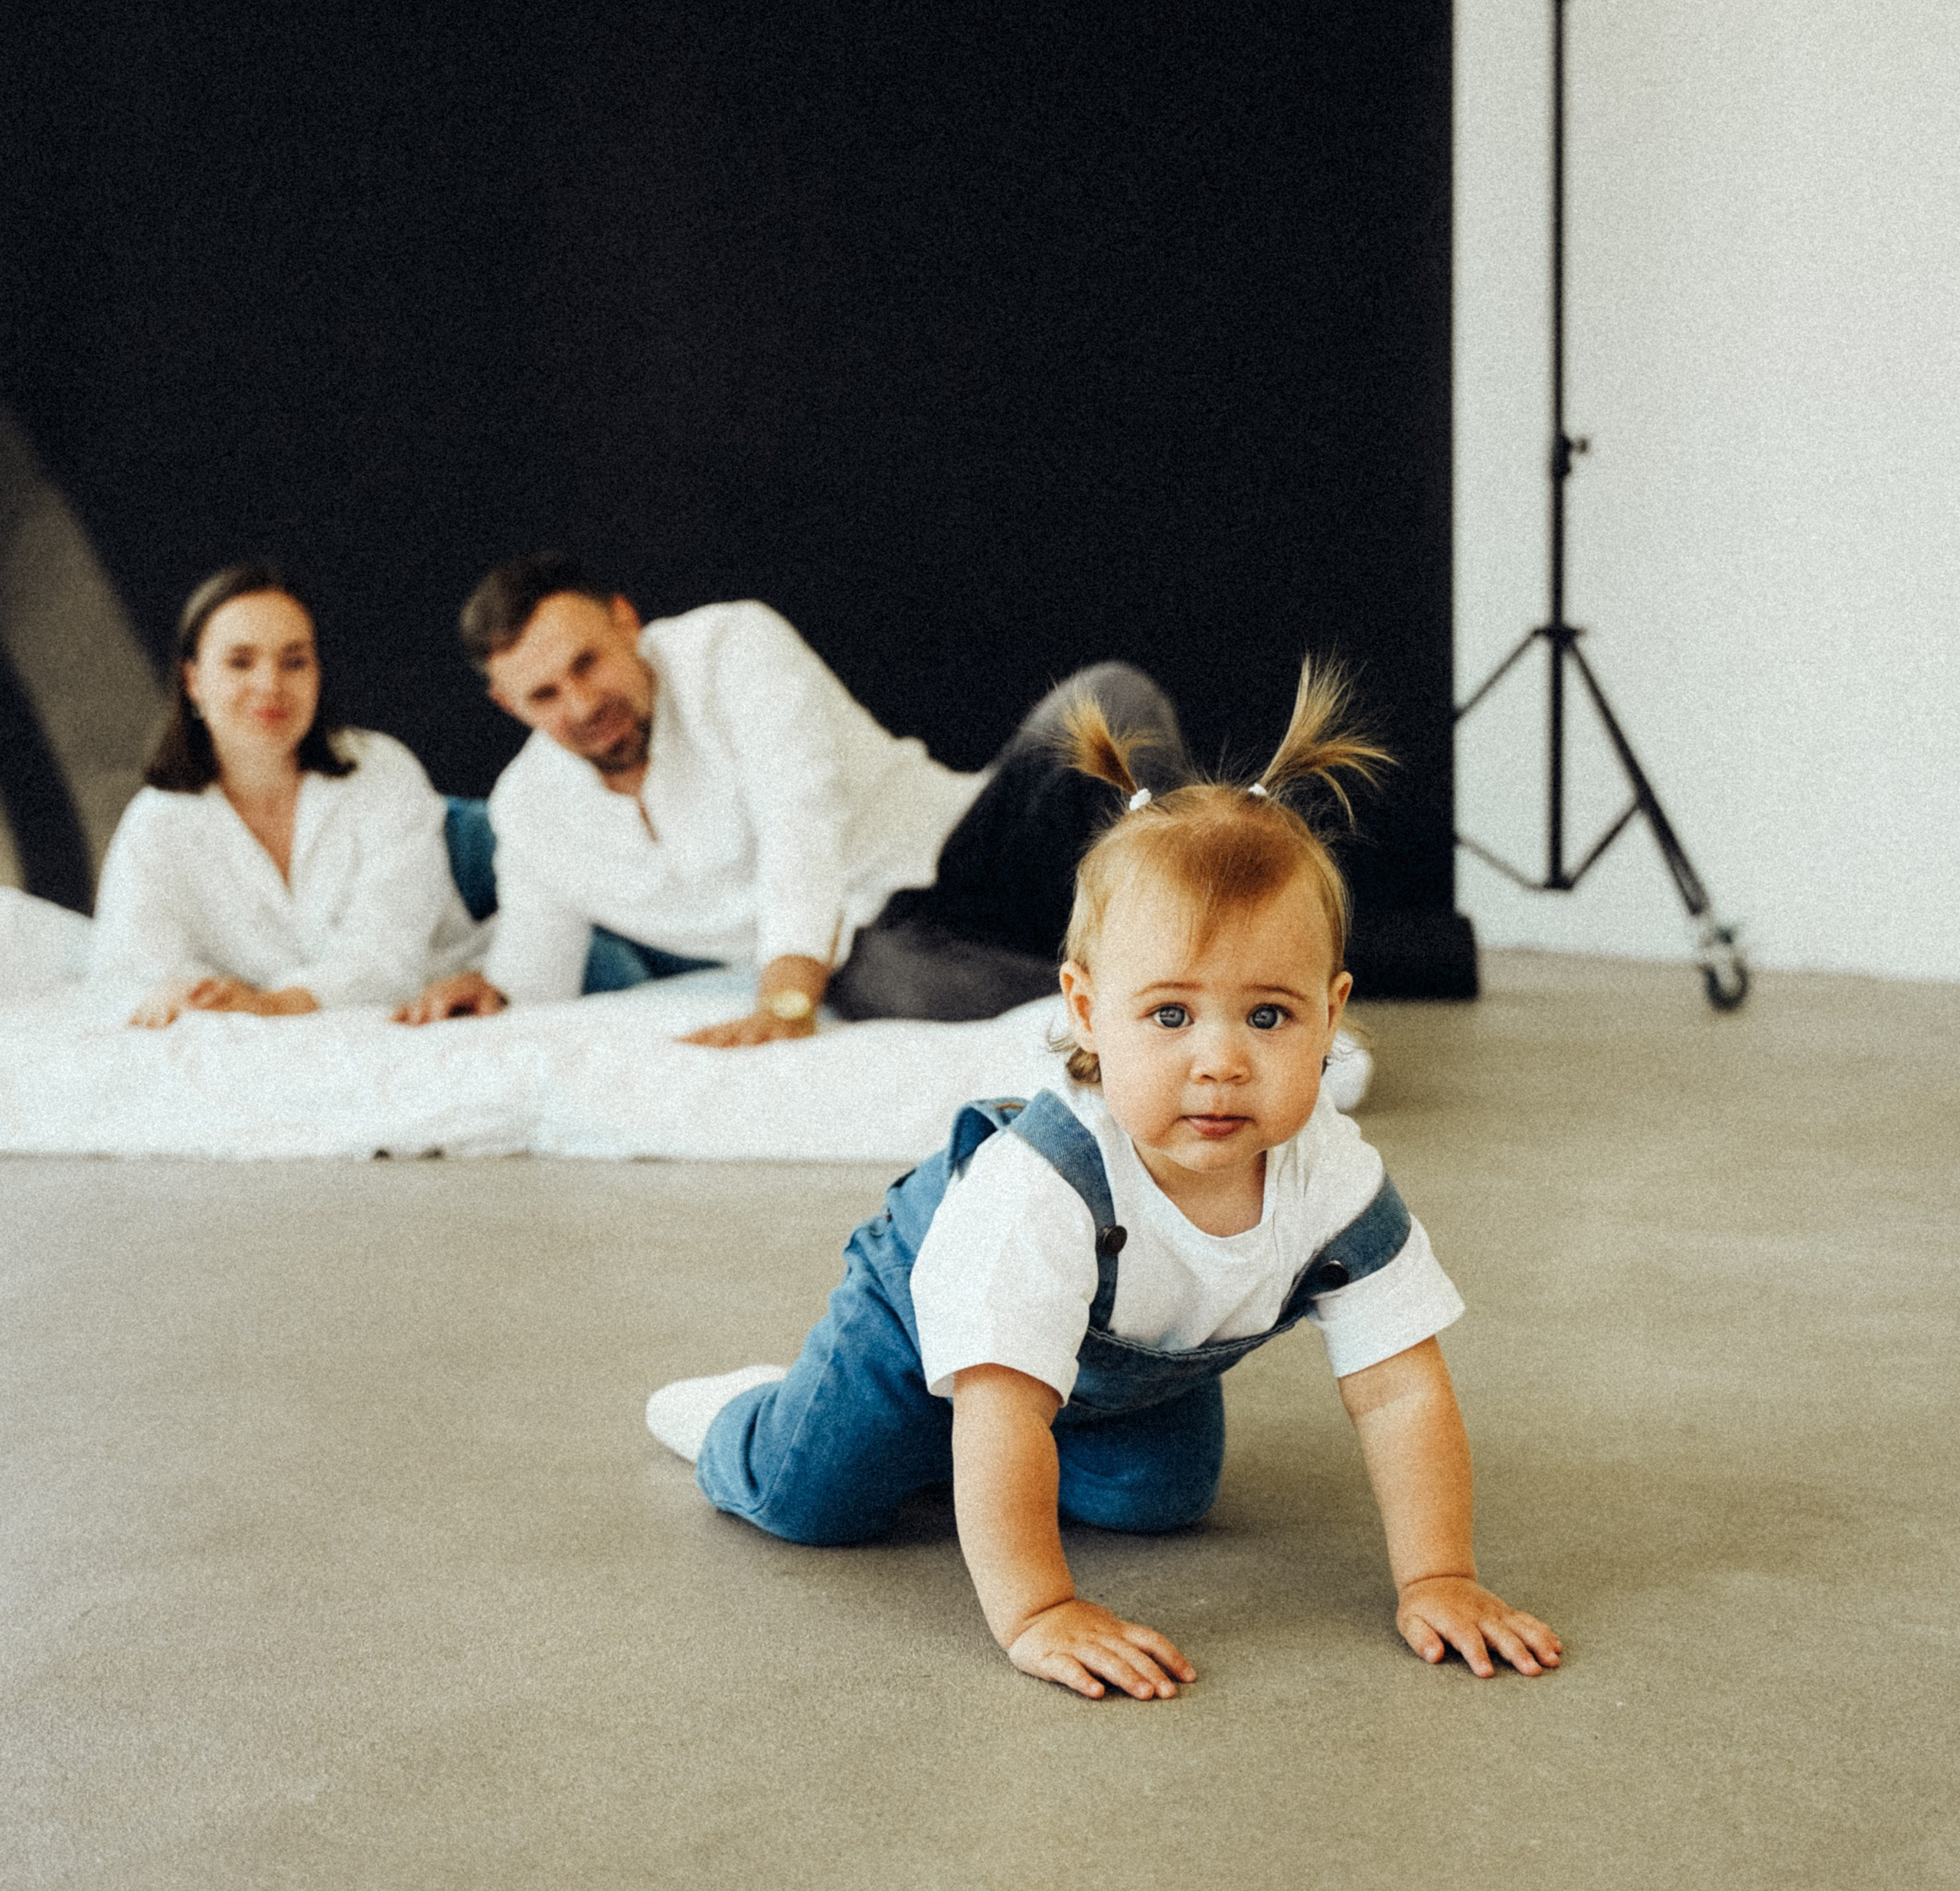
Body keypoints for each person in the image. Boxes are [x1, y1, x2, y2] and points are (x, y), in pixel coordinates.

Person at [644, 661, 1561, 1701]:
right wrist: (1038, 1608)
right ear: (1085, 1011)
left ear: (1331, 1011)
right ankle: (746, 1413)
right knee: (817, 1498)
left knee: (1159, 1499)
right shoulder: (1043, 1187)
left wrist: (1439, 1576)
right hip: (918, 1321)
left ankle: (970, 1457)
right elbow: (1002, 1408)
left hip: (1119, 1365)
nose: (1220, 1062)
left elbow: (1399, 1388)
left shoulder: (1332, 1182)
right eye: (1170, 1015)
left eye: (1268, 1015)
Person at [396, 551, 1189, 1043]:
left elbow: (798, 818)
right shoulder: (527, 810)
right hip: (873, 946)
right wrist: (489, 990)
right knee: (902, 989)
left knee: (1107, 702)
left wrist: (783, 1000)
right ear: (507, 705)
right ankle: (1153, 1008)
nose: (579, 704)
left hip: (971, 848)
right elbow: (538, 965)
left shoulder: (731, 646)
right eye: (543, 695)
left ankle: (1216, 946)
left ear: (625, 622)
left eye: (587, 664)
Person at [88, 564, 484, 1026]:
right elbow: (130, 969)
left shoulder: (382, 770)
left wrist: (270, 1005)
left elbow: (387, 959)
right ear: (193, 681)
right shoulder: (155, 822)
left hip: (454, 912)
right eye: (240, 662)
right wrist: (199, 996)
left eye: (294, 662)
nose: (270, 685)